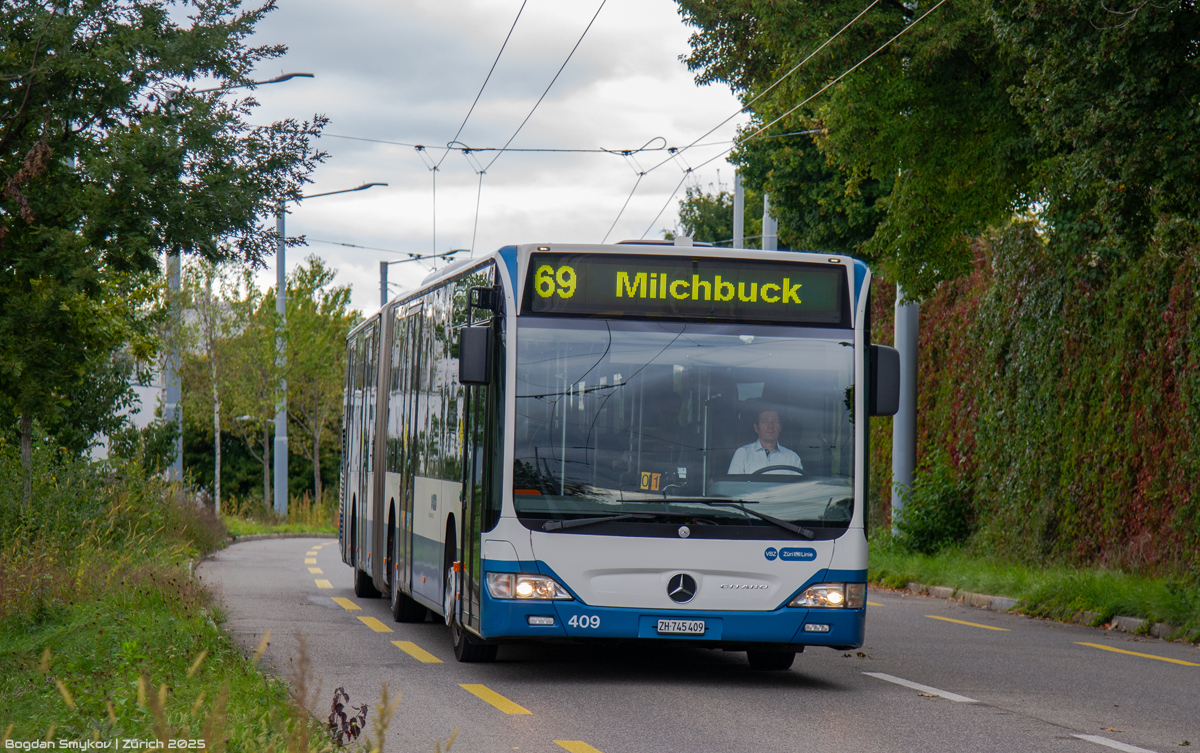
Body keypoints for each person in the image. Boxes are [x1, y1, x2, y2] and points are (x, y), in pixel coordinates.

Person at [727, 406, 803, 475]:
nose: (770, 426)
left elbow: (800, 489)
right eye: (764, 421)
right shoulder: (742, 454)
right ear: (756, 428)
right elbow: (733, 487)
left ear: (780, 427)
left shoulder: (792, 458)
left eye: (775, 421)